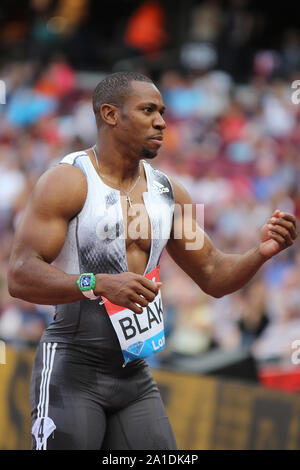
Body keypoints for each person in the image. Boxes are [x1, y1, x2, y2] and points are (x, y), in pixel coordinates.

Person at [7, 71, 297, 450]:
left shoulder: (169, 193)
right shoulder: (68, 182)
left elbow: (213, 274)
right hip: (71, 368)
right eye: (148, 110)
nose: (161, 121)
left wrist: (259, 254)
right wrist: (97, 283)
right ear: (110, 115)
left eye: (161, 111)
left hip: (134, 376)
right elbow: (19, 275)